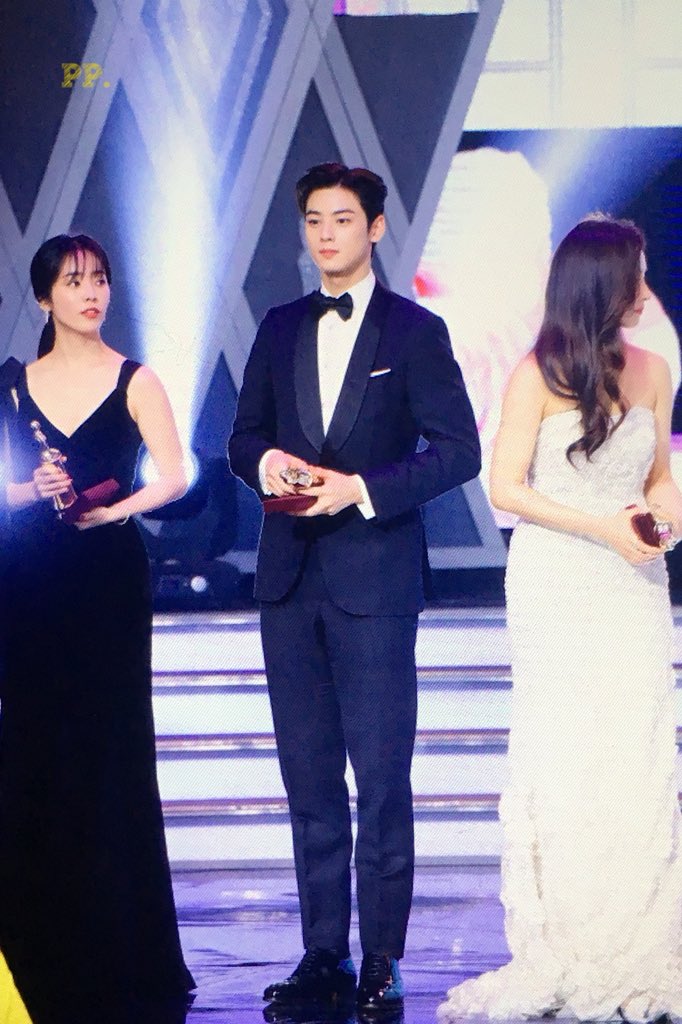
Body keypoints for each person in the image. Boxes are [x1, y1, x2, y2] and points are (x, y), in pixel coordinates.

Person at [228, 162, 480, 1014]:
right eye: (313, 219)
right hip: (289, 579)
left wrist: (361, 489)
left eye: (342, 219)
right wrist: (267, 461)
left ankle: (382, 958)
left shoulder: (415, 332)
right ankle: (323, 951)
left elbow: (459, 450)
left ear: (375, 228)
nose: (325, 233)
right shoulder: (278, 327)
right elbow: (242, 437)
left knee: (380, 778)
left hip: (376, 579)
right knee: (308, 782)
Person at [438, 215, 682, 1022]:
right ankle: (572, 940)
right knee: (569, 753)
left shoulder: (653, 369)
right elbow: (506, 487)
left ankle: (641, 936)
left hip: (633, 583)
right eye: (633, 276)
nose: (644, 290)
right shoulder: (534, 375)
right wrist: (599, 527)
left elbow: (658, 475)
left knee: (636, 748)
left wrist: (664, 519)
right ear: (599, 285)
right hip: (558, 581)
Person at [0, 234, 195, 1024]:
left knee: (112, 750)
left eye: (101, 280)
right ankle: (37, 944)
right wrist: (29, 488)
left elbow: (175, 475)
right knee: (35, 750)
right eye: (75, 281)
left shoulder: (136, 379)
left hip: (108, 580)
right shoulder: (12, 387)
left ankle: (124, 947)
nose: (91, 293)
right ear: (44, 297)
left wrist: (118, 510)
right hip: (28, 580)